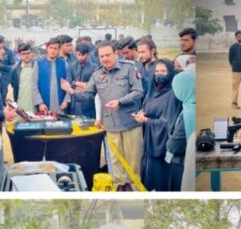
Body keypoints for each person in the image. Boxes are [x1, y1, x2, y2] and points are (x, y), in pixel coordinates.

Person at [63, 42, 144, 188]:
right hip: (111, 125)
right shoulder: (97, 74)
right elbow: (87, 96)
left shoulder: (129, 68)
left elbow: (138, 91)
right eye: (101, 56)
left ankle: (135, 190)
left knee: (133, 163)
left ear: (115, 54)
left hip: (130, 123)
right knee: (116, 163)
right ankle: (120, 189)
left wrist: (120, 102)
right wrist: (71, 91)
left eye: (108, 55)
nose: (105, 59)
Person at [135, 58, 180, 191]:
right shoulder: (152, 91)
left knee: (160, 181)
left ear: (170, 73)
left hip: (161, 147)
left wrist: (146, 121)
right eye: (157, 71)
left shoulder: (172, 95)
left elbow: (168, 124)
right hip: (149, 143)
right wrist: (142, 113)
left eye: (163, 71)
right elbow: (147, 108)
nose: (159, 74)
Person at [166, 65, 194, 191]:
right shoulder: (191, 105)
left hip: (182, 164)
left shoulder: (188, 112)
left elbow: (174, 145)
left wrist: (169, 137)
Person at [37, 38, 70, 113]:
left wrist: (66, 101)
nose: (53, 50)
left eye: (55, 48)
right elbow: (34, 86)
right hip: (43, 105)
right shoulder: (38, 64)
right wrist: (40, 103)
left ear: (59, 50)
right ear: (47, 48)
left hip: (61, 104)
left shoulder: (64, 64)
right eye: (51, 48)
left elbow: (68, 84)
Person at [67, 43, 98, 118]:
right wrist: (83, 85)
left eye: (83, 55)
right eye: (79, 55)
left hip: (89, 102)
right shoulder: (71, 67)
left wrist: (75, 83)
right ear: (75, 54)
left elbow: (94, 86)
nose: (81, 57)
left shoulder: (94, 67)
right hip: (75, 102)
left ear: (88, 54)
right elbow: (69, 84)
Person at [11, 43, 42, 114]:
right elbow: (14, 85)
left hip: (36, 105)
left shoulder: (38, 67)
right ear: (19, 54)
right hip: (20, 104)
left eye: (28, 53)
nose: (27, 55)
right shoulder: (14, 69)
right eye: (24, 54)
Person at [228, 30, 241, 109]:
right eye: (239, 36)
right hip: (236, 70)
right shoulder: (232, 47)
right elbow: (230, 59)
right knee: (235, 87)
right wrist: (234, 65)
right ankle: (234, 103)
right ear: (236, 37)